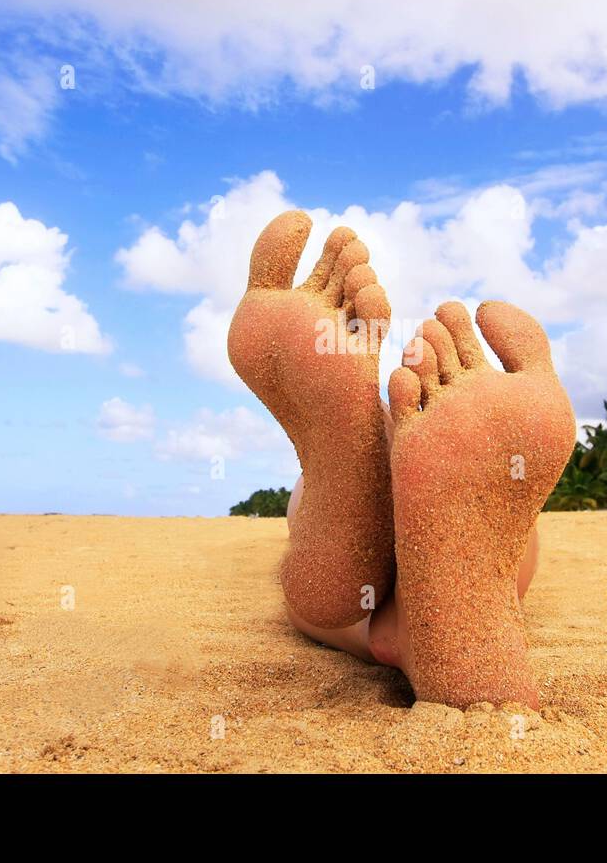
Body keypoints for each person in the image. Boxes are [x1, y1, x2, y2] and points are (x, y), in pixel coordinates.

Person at [227, 211, 577, 708]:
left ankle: (361, 472)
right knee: (505, 536)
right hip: (431, 500)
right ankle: (431, 617)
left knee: (324, 498)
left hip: (351, 524)